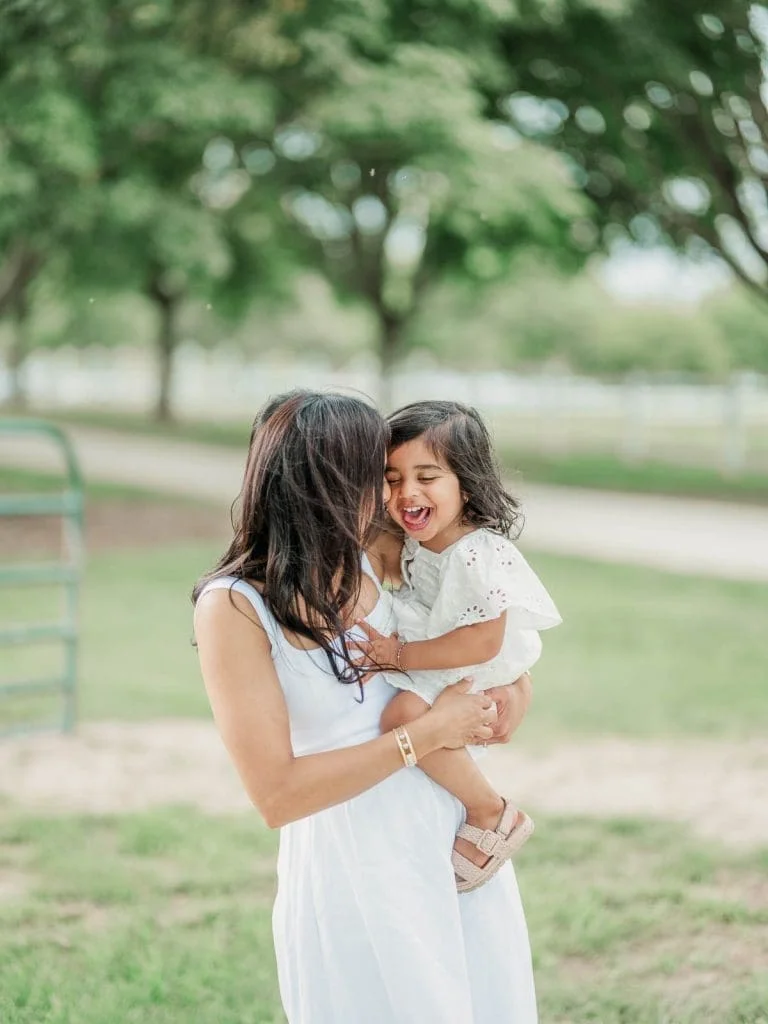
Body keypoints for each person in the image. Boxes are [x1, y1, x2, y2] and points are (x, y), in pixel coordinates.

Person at [193, 390, 538, 1024]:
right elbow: (276, 795)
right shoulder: (235, 606)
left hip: (449, 834)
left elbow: (472, 624)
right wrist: (425, 735)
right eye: (374, 477)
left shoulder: (376, 553)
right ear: (321, 483)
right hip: (352, 859)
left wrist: (516, 687)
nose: (389, 497)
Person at [358, 400, 561, 893]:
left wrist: (397, 656)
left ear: (466, 484)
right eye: (392, 477)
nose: (407, 492)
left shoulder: (472, 554)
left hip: (475, 662)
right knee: (406, 716)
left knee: (403, 718)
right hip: (443, 652)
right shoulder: (417, 538)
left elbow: (480, 640)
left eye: (427, 477)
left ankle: (490, 810)